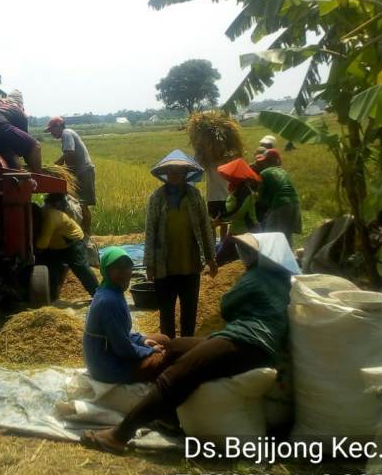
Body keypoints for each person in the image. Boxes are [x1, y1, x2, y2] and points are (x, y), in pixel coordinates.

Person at [81, 232, 299, 454]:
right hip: (246, 341)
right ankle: (168, 414)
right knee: (175, 346)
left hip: (246, 341)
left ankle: (119, 436)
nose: (245, 256)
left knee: (171, 379)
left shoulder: (255, 276)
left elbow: (227, 307)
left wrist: (144, 348)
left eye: (250, 252)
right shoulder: (283, 279)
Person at [144, 150, 217, 338]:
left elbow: (205, 226)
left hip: (190, 264)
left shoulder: (194, 196)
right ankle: (168, 349)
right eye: (171, 171)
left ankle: (186, 347)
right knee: (166, 312)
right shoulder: (157, 198)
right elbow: (150, 231)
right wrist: (149, 265)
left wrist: (210, 257)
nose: (175, 174)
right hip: (164, 266)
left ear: (186, 173)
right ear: (166, 174)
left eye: (179, 171)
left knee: (189, 312)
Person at [83, 247, 172, 383]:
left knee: (164, 339)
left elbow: (119, 333)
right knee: (163, 358)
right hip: (107, 366)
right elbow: (122, 349)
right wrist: (149, 351)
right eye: (117, 268)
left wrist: (142, 341)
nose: (124, 272)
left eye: (127, 267)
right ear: (106, 271)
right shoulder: (109, 301)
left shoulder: (110, 290)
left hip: (110, 351)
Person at [35, 193, 99, 298]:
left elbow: (43, 243)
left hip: (73, 242)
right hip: (55, 245)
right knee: (52, 270)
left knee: (80, 268)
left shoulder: (52, 217)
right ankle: (52, 297)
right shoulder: (42, 213)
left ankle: (98, 295)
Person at [45, 116, 96, 236]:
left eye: (52, 130)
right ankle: (84, 233)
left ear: (58, 126)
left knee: (83, 203)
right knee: (79, 203)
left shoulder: (66, 133)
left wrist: (57, 165)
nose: (51, 133)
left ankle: (87, 234)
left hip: (84, 172)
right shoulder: (65, 135)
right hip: (79, 172)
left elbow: (69, 153)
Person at [0, 90, 42, 172]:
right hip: (0, 127)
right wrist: (32, 166)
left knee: (11, 160)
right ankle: (39, 177)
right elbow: (27, 149)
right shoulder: (18, 109)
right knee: (35, 145)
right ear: (20, 104)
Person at [214, 159, 261, 265]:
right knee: (228, 258)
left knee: (221, 259)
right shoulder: (238, 189)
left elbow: (239, 211)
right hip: (237, 230)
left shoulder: (244, 191)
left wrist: (220, 218)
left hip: (246, 231)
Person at [254, 149, 302, 246]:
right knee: (286, 234)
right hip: (295, 202)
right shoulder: (283, 171)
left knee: (271, 235)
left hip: (280, 203)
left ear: (268, 161)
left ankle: (272, 259)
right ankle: (289, 258)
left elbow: (260, 197)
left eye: (264, 161)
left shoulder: (264, 173)